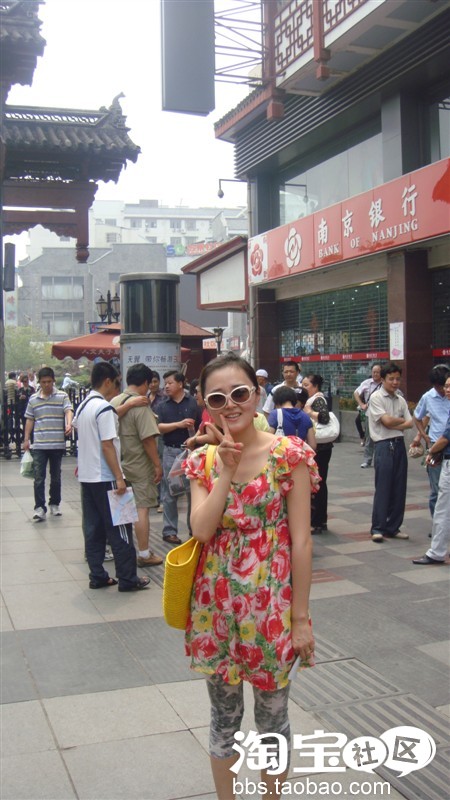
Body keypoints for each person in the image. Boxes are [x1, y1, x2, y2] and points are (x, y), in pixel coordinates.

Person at [184, 353, 319, 800]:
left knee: (273, 720)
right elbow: (201, 530)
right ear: (205, 403)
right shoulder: (202, 461)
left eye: (239, 393)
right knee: (223, 719)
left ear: (257, 395)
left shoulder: (288, 455)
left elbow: (302, 541)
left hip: (271, 611)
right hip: (215, 611)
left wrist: (300, 618)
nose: (231, 405)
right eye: (217, 398)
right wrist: (225, 467)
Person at [73, 361, 150, 592]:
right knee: (121, 528)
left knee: (93, 529)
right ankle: (128, 578)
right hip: (107, 477)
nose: (117, 388)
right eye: (116, 383)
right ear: (107, 381)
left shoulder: (84, 406)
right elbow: (107, 445)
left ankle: (97, 575)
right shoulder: (104, 409)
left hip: (87, 477)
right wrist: (119, 477)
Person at [111, 363, 163, 567]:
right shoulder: (140, 405)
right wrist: (157, 465)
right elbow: (148, 439)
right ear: (146, 383)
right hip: (140, 465)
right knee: (142, 508)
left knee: (123, 510)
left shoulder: (115, 401)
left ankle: (123, 551)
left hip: (118, 465)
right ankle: (144, 554)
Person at [367, 363, 413, 543]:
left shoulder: (400, 400)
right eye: (391, 379)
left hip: (399, 445)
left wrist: (395, 422)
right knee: (383, 487)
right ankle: (378, 528)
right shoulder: (376, 397)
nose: (395, 382)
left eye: (397, 379)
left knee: (399, 488)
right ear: (383, 379)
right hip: (383, 445)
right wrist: (399, 422)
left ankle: (393, 527)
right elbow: (386, 421)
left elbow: (410, 423)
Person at [157, 370, 202, 545]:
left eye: (170, 383)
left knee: (193, 492)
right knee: (170, 492)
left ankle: (194, 528)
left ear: (181, 384)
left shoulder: (193, 403)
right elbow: (159, 427)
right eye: (165, 383)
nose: (166, 386)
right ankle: (169, 531)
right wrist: (179, 425)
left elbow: (202, 426)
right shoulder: (163, 405)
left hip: (192, 452)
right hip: (171, 451)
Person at [23, 367, 73, 521]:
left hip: (57, 444)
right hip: (39, 445)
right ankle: (39, 507)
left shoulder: (62, 396)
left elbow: (68, 410)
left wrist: (69, 424)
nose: (46, 385)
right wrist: (26, 439)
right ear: (39, 382)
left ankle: (54, 503)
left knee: (56, 477)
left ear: (54, 381)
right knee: (39, 477)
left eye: (49, 382)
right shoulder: (33, 399)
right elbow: (30, 419)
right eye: (43, 382)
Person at [413, 375, 450, 565]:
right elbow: (419, 417)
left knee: (442, 508)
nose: (447, 390)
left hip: (446, 459)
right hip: (442, 454)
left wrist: (431, 451)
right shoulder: (429, 397)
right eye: (445, 386)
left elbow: (445, 438)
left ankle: (437, 552)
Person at [410, 364, 450, 521]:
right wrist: (423, 435)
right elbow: (417, 417)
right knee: (436, 487)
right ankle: (437, 524)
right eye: (440, 387)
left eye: (445, 386)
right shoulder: (428, 397)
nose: (443, 390)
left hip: (447, 442)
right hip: (435, 445)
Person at [302, 373, 332, 534]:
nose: (303, 388)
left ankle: (318, 520)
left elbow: (324, 418)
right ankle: (320, 520)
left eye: (306, 385)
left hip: (321, 448)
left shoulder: (318, 400)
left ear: (315, 386)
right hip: (321, 447)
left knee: (318, 483)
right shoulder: (313, 399)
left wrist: (309, 412)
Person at [268, 386, 316, 451]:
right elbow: (312, 445)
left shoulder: (275, 414)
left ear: (277, 402)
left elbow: (268, 441)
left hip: (280, 456)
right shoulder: (305, 416)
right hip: (299, 455)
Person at [353, 364, 382, 467]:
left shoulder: (385, 383)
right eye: (374, 372)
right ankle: (367, 460)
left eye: (377, 372)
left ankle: (380, 460)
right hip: (369, 414)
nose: (375, 374)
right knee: (369, 437)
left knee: (381, 437)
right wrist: (361, 404)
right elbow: (356, 393)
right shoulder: (367, 383)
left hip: (382, 414)